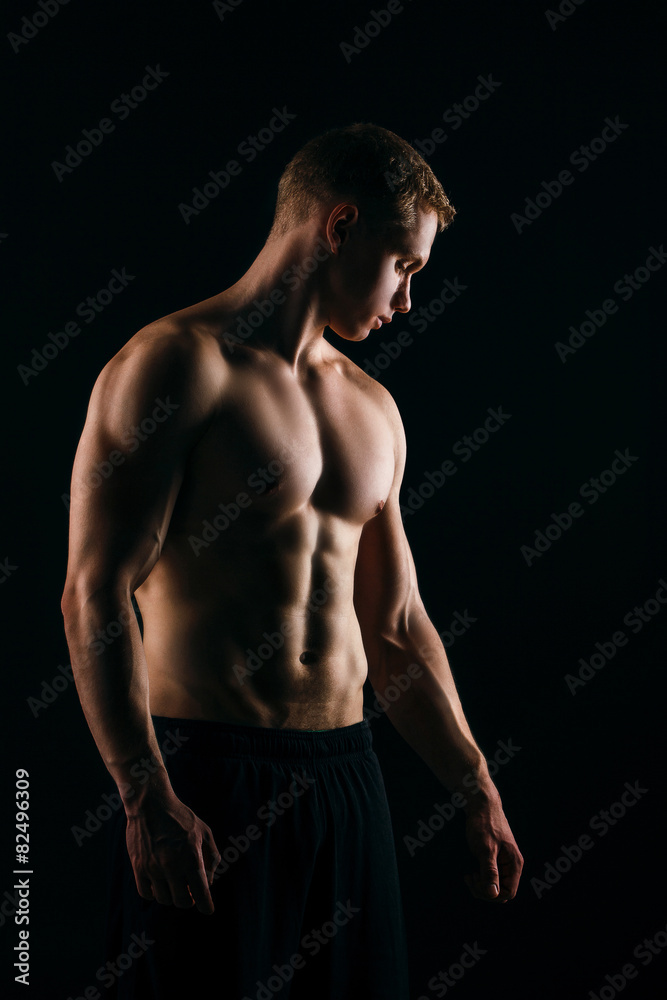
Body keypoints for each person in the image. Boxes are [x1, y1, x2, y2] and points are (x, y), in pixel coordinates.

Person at [61, 122, 523, 1000]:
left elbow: (393, 627)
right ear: (341, 228)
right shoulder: (173, 367)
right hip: (205, 782)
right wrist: (142, 795)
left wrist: (474, 782)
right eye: (405, 268)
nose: (406, 301)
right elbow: (94, 593)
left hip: (346, 779)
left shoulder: (372, 408)